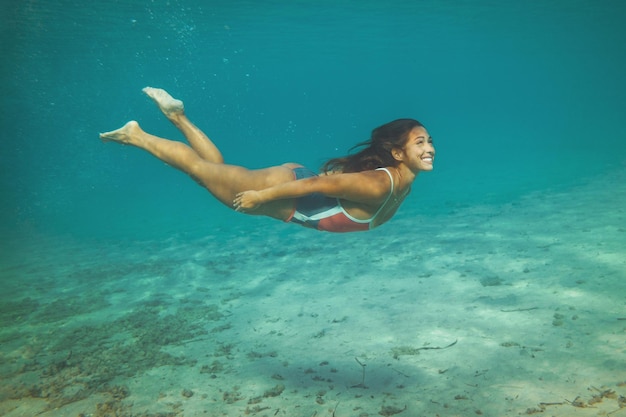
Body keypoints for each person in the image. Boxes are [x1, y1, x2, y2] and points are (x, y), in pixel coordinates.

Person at [100, 87, 435, 233]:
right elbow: (319, 183)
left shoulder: (402, 180)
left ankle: (178, 117)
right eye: (420, 142)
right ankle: (137, 135)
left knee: (212, 172)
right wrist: (260, 197)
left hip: (292, 189)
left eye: (429, 141)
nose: (429, 148)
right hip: (284, 192)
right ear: (397, 153)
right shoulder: (379, 184)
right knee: (200, 170)